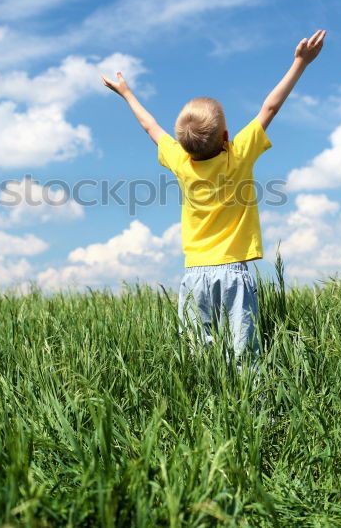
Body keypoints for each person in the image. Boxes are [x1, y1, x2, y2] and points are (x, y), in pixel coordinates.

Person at [101, 29, 326, 360]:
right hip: (233, 272)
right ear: (225, 135)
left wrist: (126, 93)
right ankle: (253, 409)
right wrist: (300, 63)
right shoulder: (237, 155)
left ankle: (202, 407)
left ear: (183, 145)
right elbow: (270, 108)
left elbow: (151, 127)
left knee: (199, 357)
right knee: (243, 354)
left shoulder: (180, 161)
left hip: (193, 276)